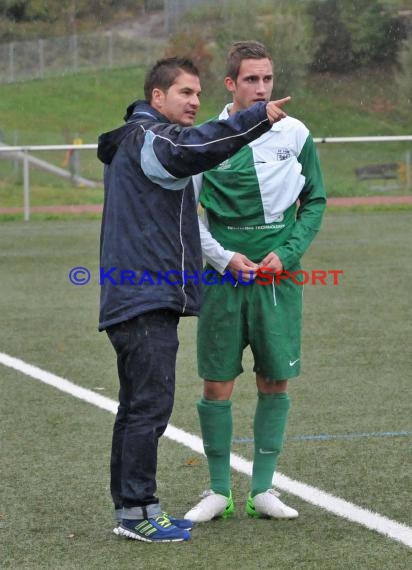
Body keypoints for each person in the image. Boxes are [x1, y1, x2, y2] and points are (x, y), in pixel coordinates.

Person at [97, 56, 291, 543]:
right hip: (142, 298)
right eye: (185, 92)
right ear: (156, 97)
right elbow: (196, 149)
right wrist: (253, 118)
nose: (195, 101)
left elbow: (194, 149)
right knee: (148, 407)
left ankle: (132, 508)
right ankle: (139, 512)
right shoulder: (152, 139)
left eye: (199, 94)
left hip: (140, 296)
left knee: (137, 407)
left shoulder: (146, 139)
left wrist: (222, 258)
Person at [185, 42, 327, 523]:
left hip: (277, 279)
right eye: (251, 79)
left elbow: (316, 201)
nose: (262, 88)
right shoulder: (208, 139)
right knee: (217, 383)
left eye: (267, 79)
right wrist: (225, 259)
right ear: (231, 83)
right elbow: (190, 214)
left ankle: (263, 490)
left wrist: (285, 255)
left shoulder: (295, 133)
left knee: (274, 379)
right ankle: (219, 491)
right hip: (224, 278)